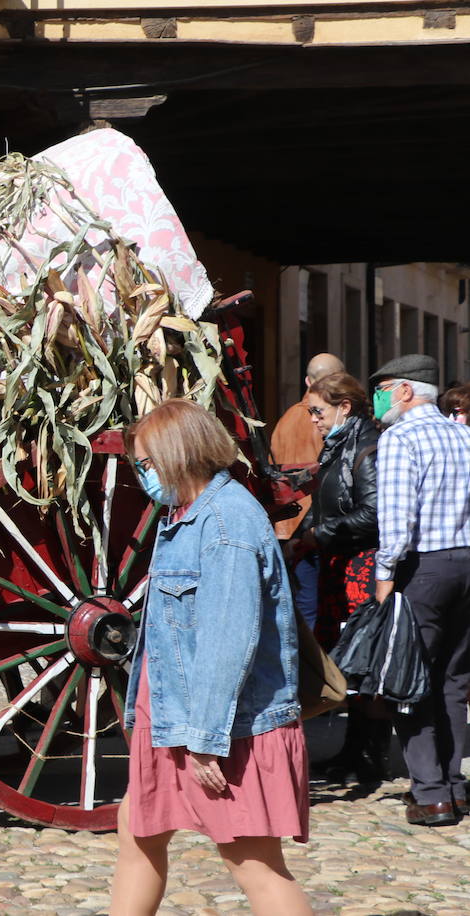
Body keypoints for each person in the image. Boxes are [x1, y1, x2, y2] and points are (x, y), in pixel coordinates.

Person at [109, 399, 311, 916]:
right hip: (175, 714)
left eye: (147, 464)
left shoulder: (226, 524)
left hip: (221, 725)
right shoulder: (186, 515)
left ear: (179, 454)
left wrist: (204, 743)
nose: (142, 476)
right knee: (138, 832)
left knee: (254, 864)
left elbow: (228, 641)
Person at [369, 355, 470, 827]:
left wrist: (384, 575)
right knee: (453, 679)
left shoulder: (400, 438)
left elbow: (396, 521)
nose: (381, 397)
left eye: (385, 387)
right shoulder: (463, 434)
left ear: (406, 391)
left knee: (409, 680)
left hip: (422, 568)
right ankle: (453, 787)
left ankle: (431, 795)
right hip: (466, 562)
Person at [296, 373, 388, 783]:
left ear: (344, 407)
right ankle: (353, 752)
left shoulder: (367, 449)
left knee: (365, 662)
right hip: (339, 564)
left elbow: (373, 513)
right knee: (347, 662)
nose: (313, 420)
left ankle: (368, 757)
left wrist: (320, 535)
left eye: (318, 411)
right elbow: (329, 502)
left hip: (361, 568)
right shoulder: (339, 445)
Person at [272, 353, 345, 630]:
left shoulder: (286, 418)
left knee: (301, 612)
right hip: (314, 530)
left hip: (287, 527)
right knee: (317, 613)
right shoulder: (327, 420)